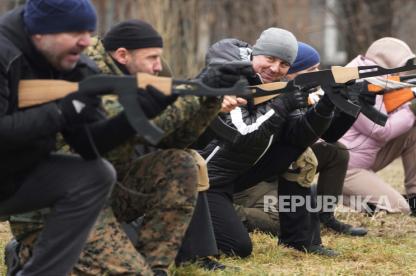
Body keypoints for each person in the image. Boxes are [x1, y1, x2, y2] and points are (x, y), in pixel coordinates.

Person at [5, 19, 247, 275]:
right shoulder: (88, 73)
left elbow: (172, 141)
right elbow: (139, 125)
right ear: (122, 55)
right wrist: (195, 87)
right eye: (152, 58)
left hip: (105, 192)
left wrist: (208, 98)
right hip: (59, 208)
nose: (157, 67)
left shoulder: (130, 76)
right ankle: (28, 253)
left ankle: (156, 267)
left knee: (180, 163)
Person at [197, 27, 340, 257]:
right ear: (255, 53)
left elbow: (298, 135)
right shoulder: (232, 77)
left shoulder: (278, 86)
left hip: (238, 177)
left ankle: (301, 241)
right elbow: (242, 133)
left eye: (284, 64)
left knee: (298, 154)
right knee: (238, 248)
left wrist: (327, 105)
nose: (275, 69)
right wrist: (283, 104)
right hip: (208, 181)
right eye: (270, 59)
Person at [0, 0, 117, 275]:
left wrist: (148, 107)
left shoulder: (66, 62)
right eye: (76, 32)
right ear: (40, 33)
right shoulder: (4, 54)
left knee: (96, 175)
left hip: (13, 175)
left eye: (89, 31)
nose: (87, 42)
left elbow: (91, 146)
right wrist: (64, 110)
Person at [233, 42, 368, 237]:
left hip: (279, 168)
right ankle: (223, 210)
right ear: (290, 73)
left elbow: (328, 136)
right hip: (253, 179)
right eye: (312, 70)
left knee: (335, 151)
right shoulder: (270, 94)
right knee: (286, 223)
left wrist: (350, 102)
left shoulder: (300, 94)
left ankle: (325, 216)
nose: (319, 74)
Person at [340, 37, 416, 216]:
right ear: (387, 64)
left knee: (414, 133)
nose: (404, 74)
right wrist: (415, 109)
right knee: (400, 208)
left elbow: (407, 118)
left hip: (366, 157)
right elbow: (380, 130)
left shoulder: (381, 80)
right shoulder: (355, 84)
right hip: (345, 168)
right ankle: (329, 194)